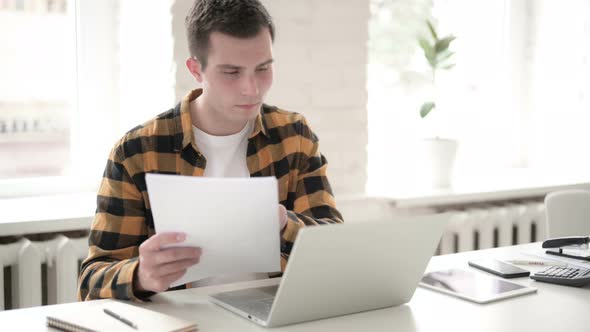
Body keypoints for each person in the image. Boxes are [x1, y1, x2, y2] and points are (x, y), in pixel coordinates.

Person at [78, 0, 343, 302]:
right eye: (231, 72)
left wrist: (284, 225)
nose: (252, 88)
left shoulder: (294, 135)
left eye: (263, 68)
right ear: (195, 69)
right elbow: (91, 282)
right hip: (183, 322)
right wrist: (140, 276)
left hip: (276, 317)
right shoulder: (136, 151)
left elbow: (333, 248)